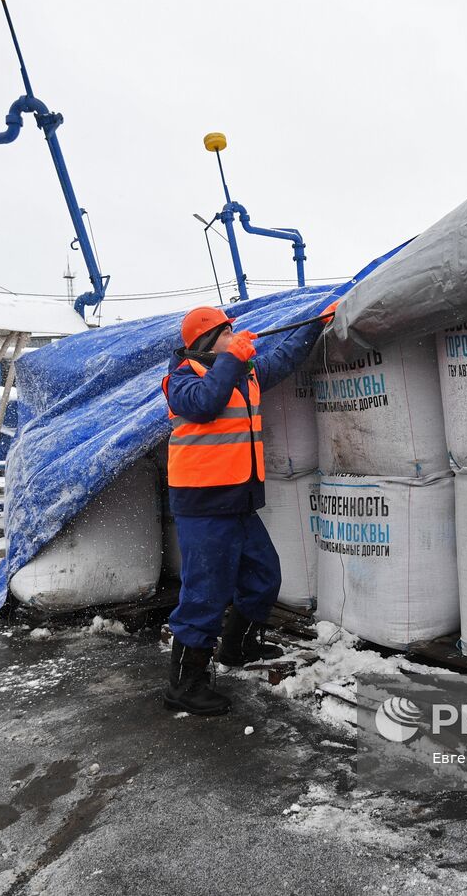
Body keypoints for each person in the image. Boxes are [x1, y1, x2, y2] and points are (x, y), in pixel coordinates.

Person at [160, 302, 335, 716]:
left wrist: (316, 323)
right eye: (226, 333)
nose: (235, 337)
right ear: (205, 341)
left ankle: (239, 647)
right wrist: (234, 358)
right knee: (204, 595)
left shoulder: (246, 372)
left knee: (262, 576)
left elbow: (283, 358)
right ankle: (184, 684)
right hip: (203, 504)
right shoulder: (181, 379)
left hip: (239, 500)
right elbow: (205, 403)